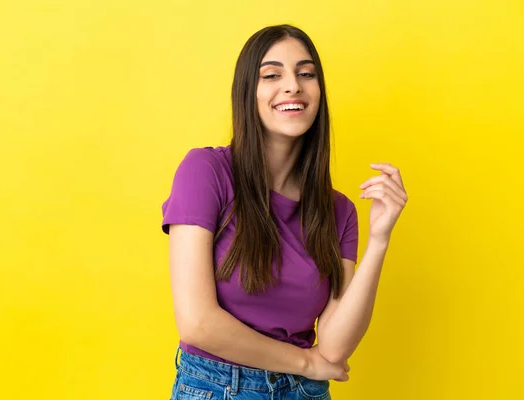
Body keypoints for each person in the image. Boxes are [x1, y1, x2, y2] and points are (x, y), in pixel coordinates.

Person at [161, 24, 408, 400]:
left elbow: (335, 347)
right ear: (248, 93)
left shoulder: (338, 210)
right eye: (272, 75)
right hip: (219, 386)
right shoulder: (206, 172)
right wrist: (306, 363)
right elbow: (197, 324)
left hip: (305, 393)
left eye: (306, 74)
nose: (293, 85)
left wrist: (379, 239)